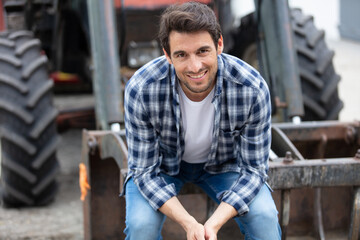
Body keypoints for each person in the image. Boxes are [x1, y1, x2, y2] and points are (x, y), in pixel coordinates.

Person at [124, 2, 281, 239]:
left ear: (219, 45)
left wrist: (213, 225)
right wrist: (189, 224)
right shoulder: (142, 88)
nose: (195, 66)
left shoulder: (251, 88)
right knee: (140, 225)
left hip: (225, 165)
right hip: (162, 167)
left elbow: (253, 171)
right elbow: (145, 172)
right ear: (167, 55)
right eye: (181, 55)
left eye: (202, 51)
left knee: (264, 217)